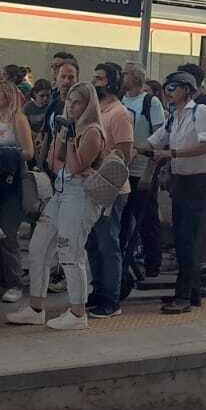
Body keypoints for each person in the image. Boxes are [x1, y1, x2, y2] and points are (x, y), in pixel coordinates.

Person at [7, 81, 106, 330]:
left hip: (80, 197)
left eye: (77, 102)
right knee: (39, 246)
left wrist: (70, 140)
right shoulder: (67, 126)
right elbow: (53, 162)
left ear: (88, 105)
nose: (71, 107)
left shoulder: (92, 131)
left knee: (70, 253)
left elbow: (74, 166)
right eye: (69, 101)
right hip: (61, 192)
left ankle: (77, 312)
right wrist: (61, 137)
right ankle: (36, 307)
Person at [144, 71, 206, 314]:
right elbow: (154, 141)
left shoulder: (201, 112)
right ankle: (192, 293)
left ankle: (183, 296)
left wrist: (171, 154)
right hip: (181, 181)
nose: (168, 91)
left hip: (199, 182)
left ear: (188, 89)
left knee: (188, 239)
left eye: (173, 87)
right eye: (166, 87)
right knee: (181, 238)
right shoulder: (174, 116)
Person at [85, 63, 134, 318]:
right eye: (95, 78)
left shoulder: (119, 114)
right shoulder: (97, 111)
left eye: (100, 78)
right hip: (94, 184)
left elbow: (126, 152)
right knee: (93, 242)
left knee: (108, 243)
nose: (96, 82)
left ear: (112, 82)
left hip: (112, 187)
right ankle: (98, 289)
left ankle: (111, 298)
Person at [0, 75, 35, 303]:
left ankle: (14, 281)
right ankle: (0, 278)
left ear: (7, 96)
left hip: (13, 181)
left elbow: (29, 152)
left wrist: (6, 154)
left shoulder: (18, 119)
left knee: (8, 232)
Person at [120, 62, 166, 282]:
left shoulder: (150, 102)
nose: (122, 77)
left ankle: (152, 263)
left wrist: (150, 167)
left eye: (125, 73)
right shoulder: (120, 100)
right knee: (122, 218)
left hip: (142, 170)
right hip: (122, 170)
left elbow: (160, 137)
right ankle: (122, 259)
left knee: (146, 218)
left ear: (136, 77)